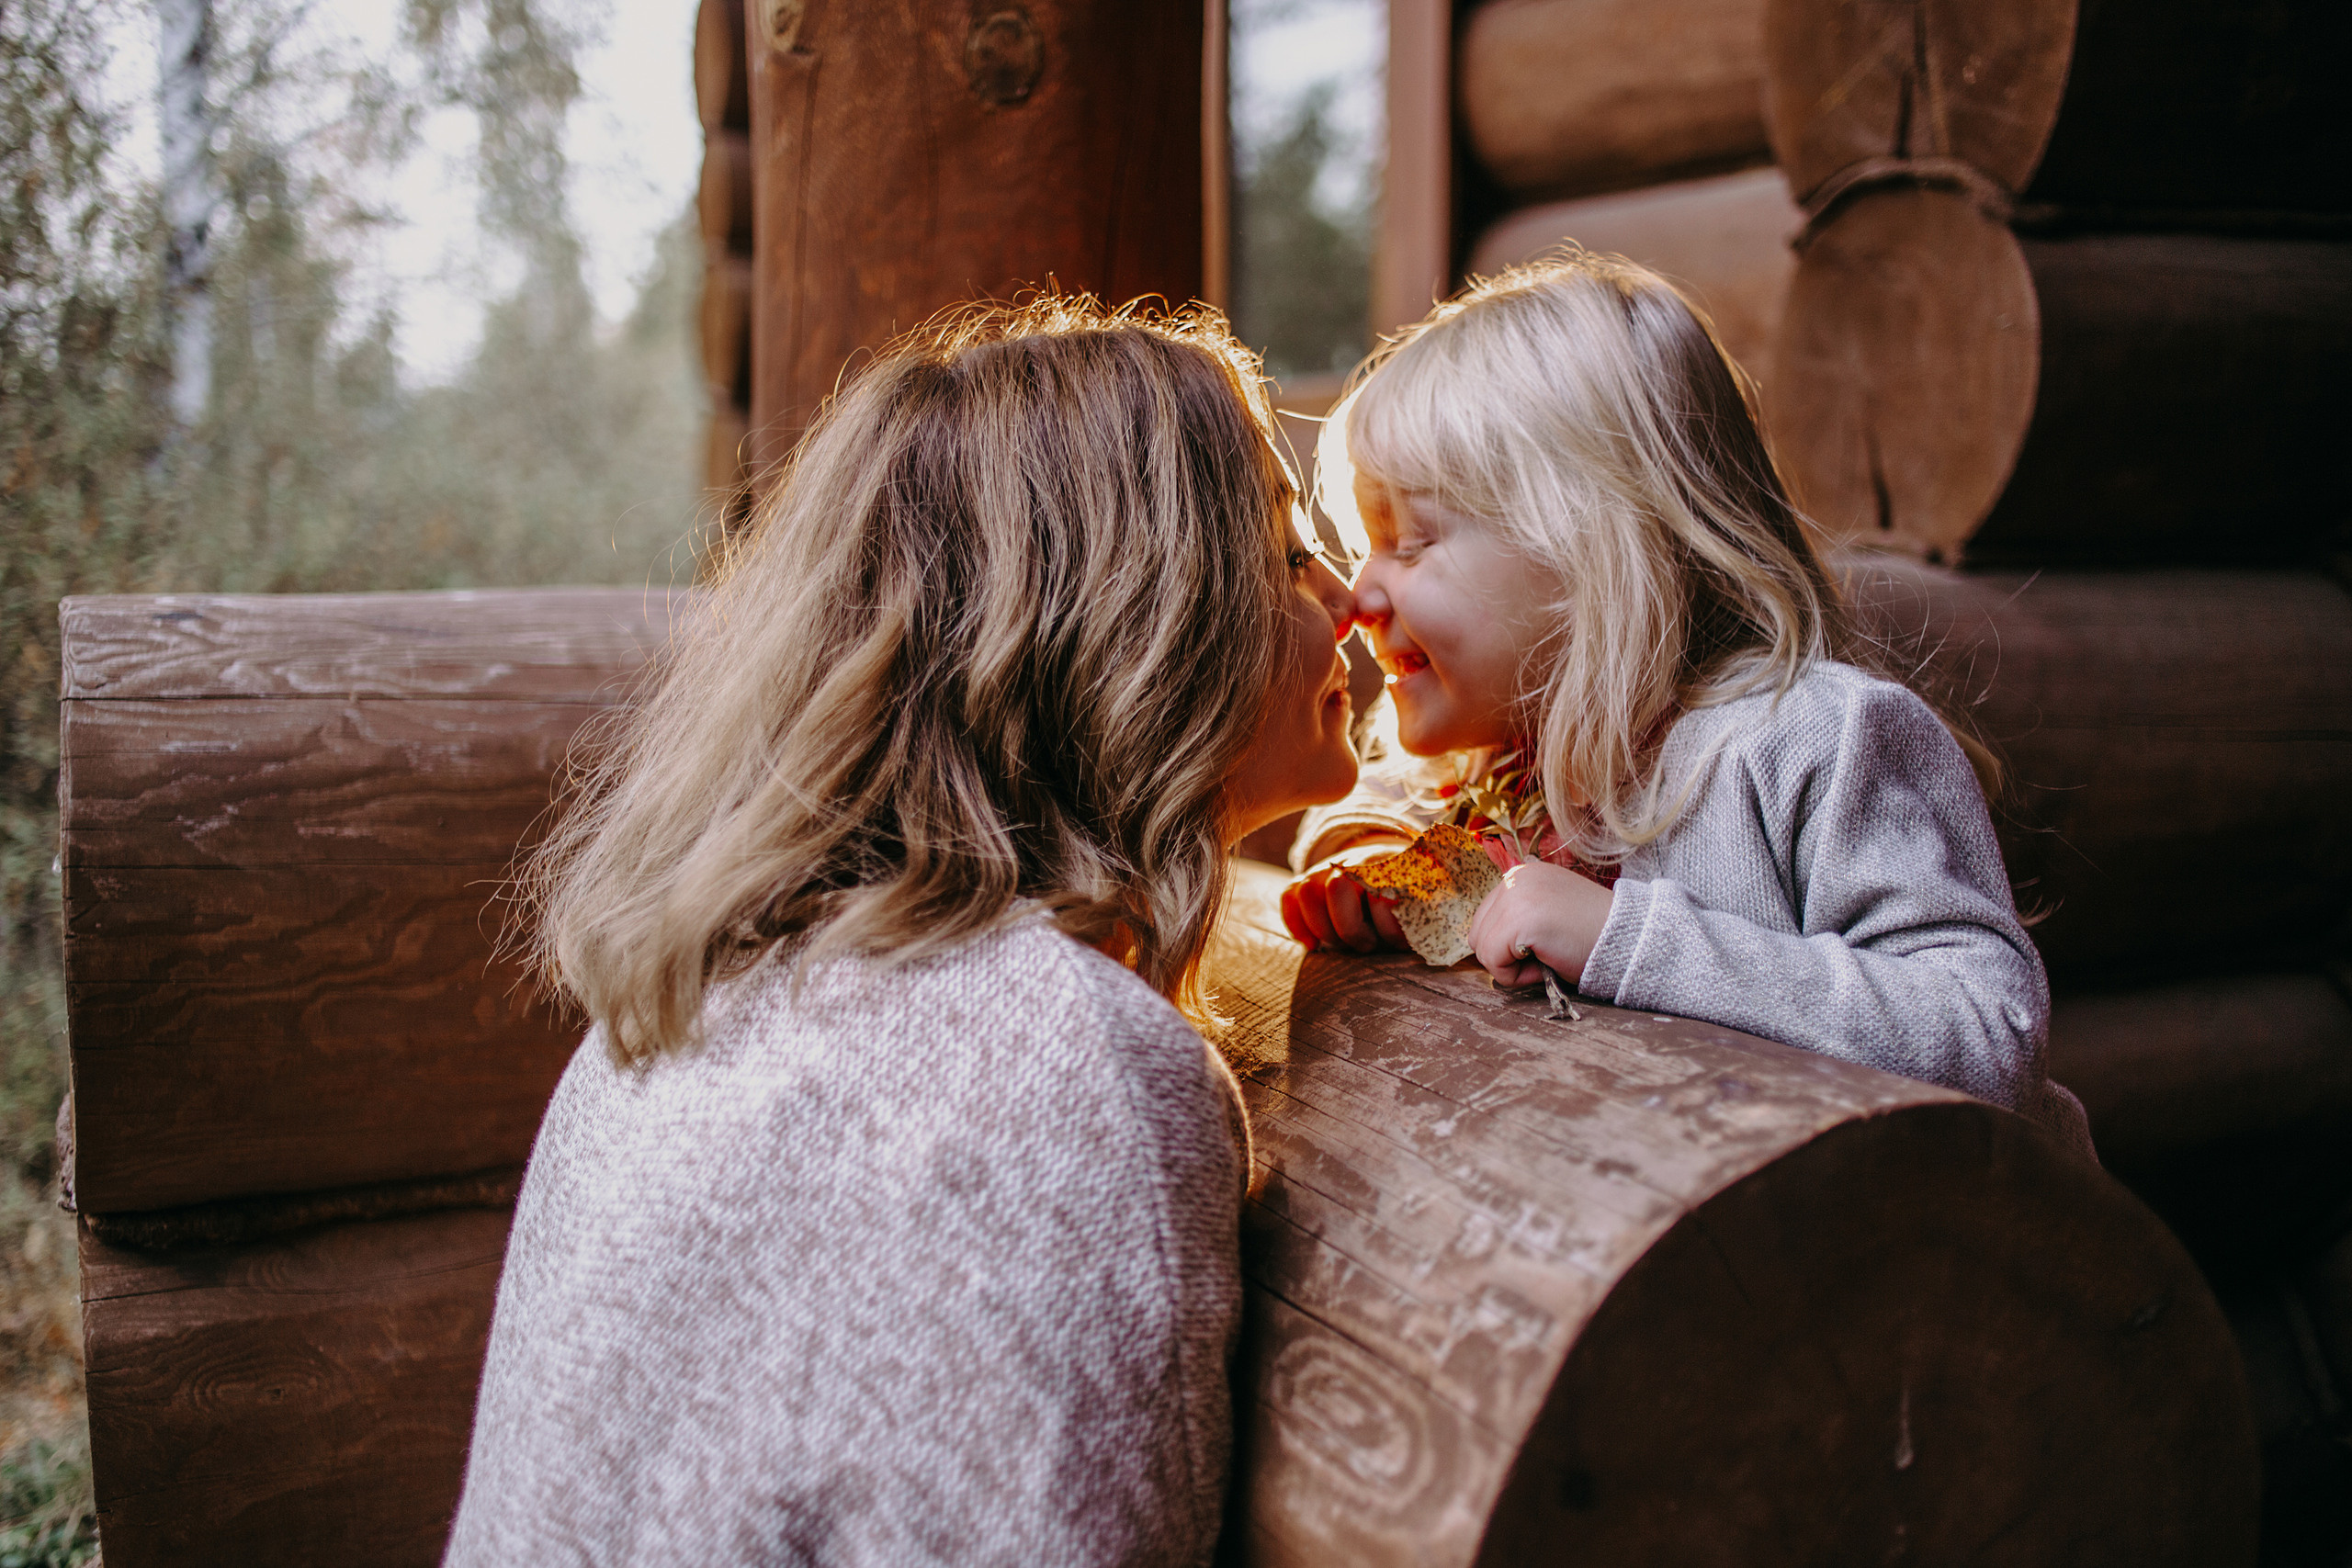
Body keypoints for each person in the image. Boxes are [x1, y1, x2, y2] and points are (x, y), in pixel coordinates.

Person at [444, 299, 1362, 1567]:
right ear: (1146, 619)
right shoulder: (1063, 1066)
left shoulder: (683, 1013)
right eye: (1285, 544)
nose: (1354, 595)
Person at [1281, 251, 2092, 1156]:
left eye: (1410, 540)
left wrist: (1634, 945)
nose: (1356, 594)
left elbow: (1988, 1038)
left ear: (1592, 548)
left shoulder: (1811, 741)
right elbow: (1365, 814)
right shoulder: (1493, 751)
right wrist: (1375, 874)